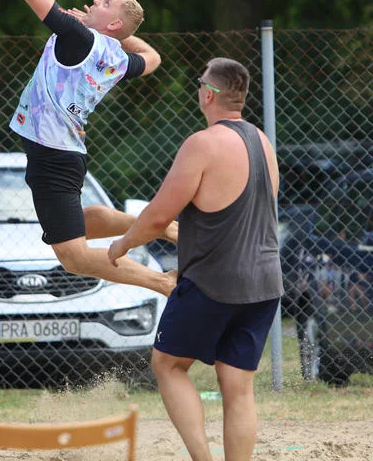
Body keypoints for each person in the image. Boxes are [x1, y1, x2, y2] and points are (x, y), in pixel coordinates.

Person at [0, 0, 174, 296]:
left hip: (54, 155)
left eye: (105, 3)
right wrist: (115, 34)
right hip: (67, 154)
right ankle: (168, 228)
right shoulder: (115, 57)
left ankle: (163, 283)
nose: (93, 1)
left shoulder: (80, 37)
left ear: (115, 21)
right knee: (83, 220)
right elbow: (152, 57)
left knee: (72, 255)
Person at [104, 58, 283, 461]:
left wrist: (121, 245)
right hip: (265, 283)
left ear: (209, 94)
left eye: (200, 83)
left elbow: (157, 217)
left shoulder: (202, 144)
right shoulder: (262, 141)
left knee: (168, 364)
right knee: (238, 388)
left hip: (213, 282)